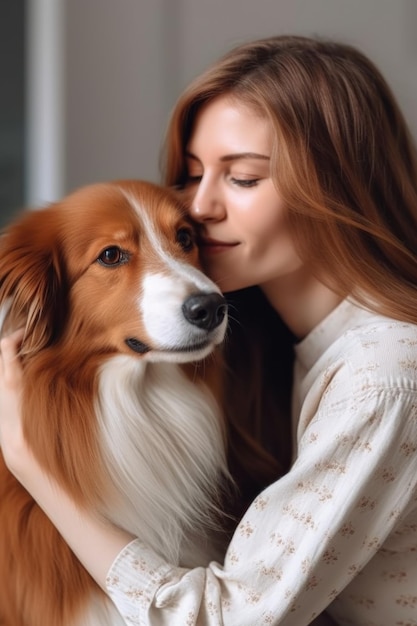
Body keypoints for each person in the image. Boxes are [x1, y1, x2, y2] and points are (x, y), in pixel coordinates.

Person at [1, 34, 417, 625]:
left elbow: (230, 619)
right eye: (192, 173)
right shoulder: (280, 344)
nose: (200, 208)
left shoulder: (384, 376)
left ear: (337, 185)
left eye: (243, 178)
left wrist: (28, 460)